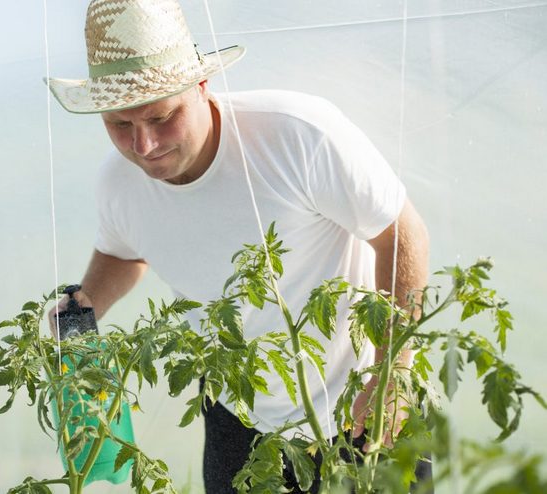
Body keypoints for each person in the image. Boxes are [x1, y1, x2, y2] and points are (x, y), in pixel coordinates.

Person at [46, 0, 431, 492]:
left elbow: (400, 233)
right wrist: (81, 310)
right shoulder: (119, 182)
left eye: (162, 118)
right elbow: (124, 249)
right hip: (237, 417)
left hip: (361, 404)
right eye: (121, 125)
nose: (144, 146)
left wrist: (392, 372)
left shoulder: (297, 135)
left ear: (202, 87)